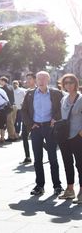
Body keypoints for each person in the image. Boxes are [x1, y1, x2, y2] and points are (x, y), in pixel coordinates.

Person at [21, 71, 64, 196]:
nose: (41, 80)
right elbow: (23, 111)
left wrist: (55, 119)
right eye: (39, 78)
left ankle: (57, 186)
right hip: (36, 128)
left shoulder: (56, 93)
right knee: (37, 159)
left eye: (44, 78)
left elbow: (62, 108)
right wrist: (30, 124)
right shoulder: (30, 94)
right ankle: (39, 185)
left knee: (53, 158)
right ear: (36, 80)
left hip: (50, 127)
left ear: (48, 80)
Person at [57, 74, 82, 203]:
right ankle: (70, 190)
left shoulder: (81, 99)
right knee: (67, 163)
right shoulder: (64, 98)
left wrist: (80, 133)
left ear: (75, 83)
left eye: (71, 82)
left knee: (80, 164)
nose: (68, 85)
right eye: (65, 82)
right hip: (64, 136)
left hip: (77, 136)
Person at [20, 73, 36, 164]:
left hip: (35, 119)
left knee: (36, 138)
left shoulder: (38, 90)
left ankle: (48, 149)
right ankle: (27, 156)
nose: (28, 81)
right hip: (26, 118)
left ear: (34, 79)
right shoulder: (26, 91)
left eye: (30, 78)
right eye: (27, 79)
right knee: (24, 137)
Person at [0, 76, 17, 142]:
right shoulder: (10, 87)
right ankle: (13, 135)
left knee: (9, 122)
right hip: (14, 106)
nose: (0, 82)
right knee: (12, 122)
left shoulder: (4, 88)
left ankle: (12, 137)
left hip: (9, 107)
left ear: (3, 81)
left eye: (0, 81)